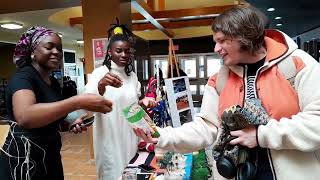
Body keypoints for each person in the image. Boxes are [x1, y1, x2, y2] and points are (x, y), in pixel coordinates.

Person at [135, 6, 320, 180]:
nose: (216, 49)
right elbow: (207, 129)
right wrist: (163, 136)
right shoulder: (220, 79)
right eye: (216, 41)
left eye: (222, 41)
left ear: (245, 37)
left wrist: (260, 135)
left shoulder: (297, 65)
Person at [0, 26, 113, 180]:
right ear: (33, 51)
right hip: (24, 161)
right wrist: (77, 101)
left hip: (49, 156)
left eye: (59, 48)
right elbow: (25, 116)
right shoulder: (23, 77)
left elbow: (51, 116)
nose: (56, 52)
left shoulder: (52, 81)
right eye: (49, 47)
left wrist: (68, 124)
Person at [84, 25, 157, 179]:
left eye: (127, 51)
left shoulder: (132, 77)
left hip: (130, 137)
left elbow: (132, 107)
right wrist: (101, 85)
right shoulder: (100, 73)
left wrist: (144, 102)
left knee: (131, 171)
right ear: (110, 52)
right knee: (112, 173)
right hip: (109, 137)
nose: (124, 54)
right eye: (118, 51)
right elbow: (88, 102)